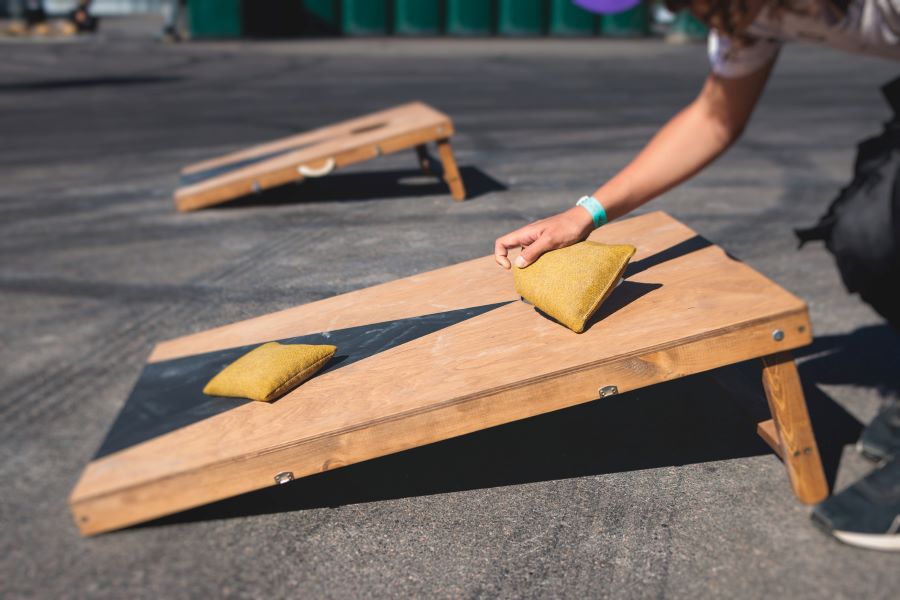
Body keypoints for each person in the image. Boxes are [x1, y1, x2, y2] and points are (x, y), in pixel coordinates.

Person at [494, 0, 900, 551]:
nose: (681, 11)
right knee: (869, 238)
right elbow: (715, 117)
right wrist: (581, 216)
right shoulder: (743, 12)